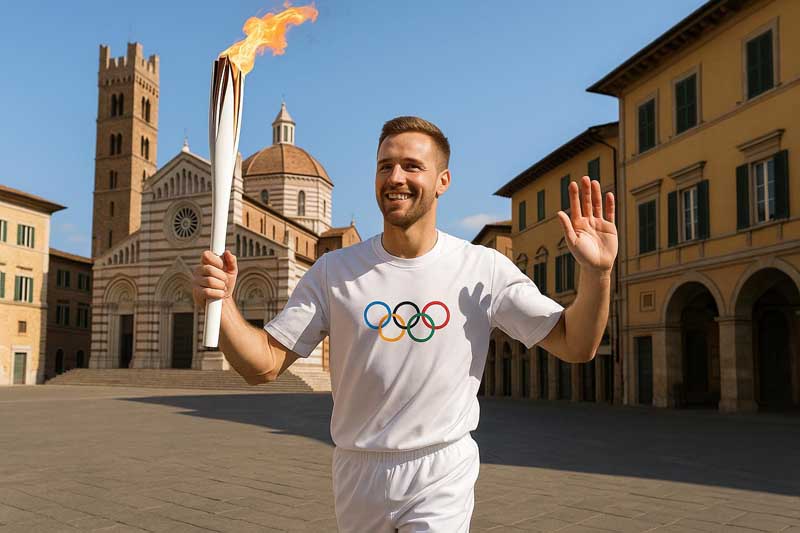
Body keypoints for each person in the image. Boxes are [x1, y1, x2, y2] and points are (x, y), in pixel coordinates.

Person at [192, 116, 618, 532]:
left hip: (440, 466)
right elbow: (262, 365)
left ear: (443, 181)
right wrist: (223, 303)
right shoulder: (332, 271)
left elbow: (574, 344)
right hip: (357, 469)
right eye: (385, 166)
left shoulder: (483, 268)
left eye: (412, 166)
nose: (396, 177)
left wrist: (596, 275)